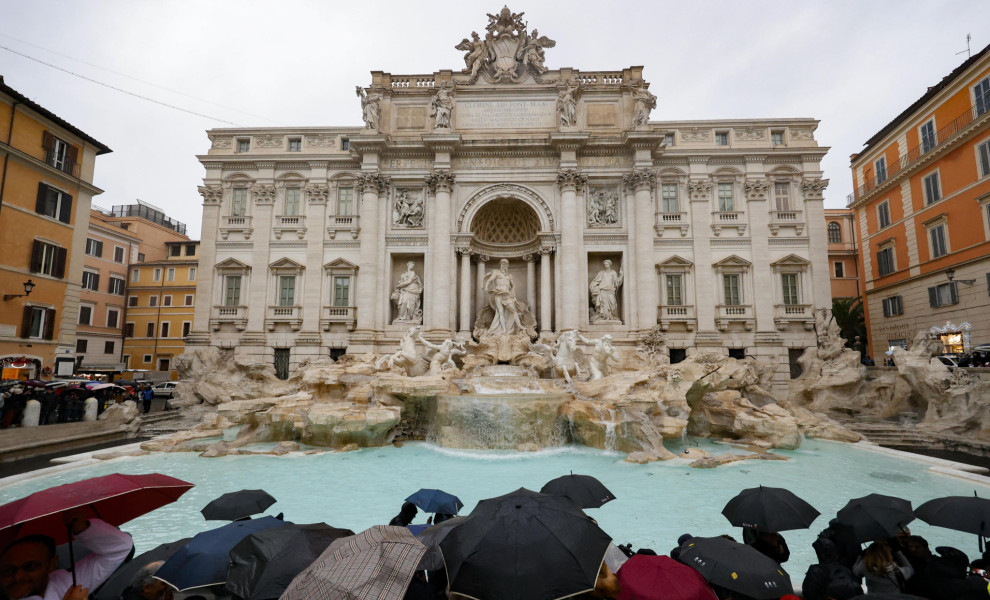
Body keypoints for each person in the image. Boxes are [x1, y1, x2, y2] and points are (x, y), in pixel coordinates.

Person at [0, 512, 132, 600]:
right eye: (8, 570)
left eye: (30, 567)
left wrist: (82, 529)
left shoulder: (62, 583)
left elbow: (120, 548)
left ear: (52, 565)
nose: (18, 577)